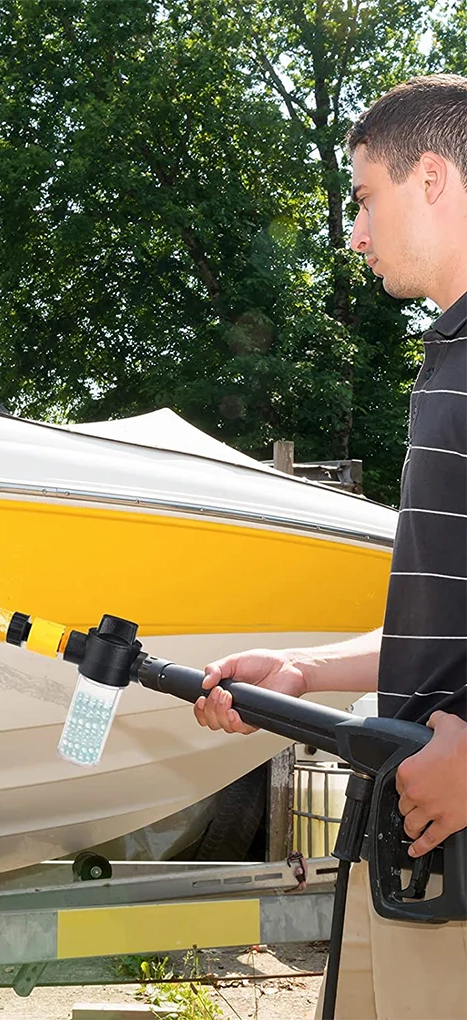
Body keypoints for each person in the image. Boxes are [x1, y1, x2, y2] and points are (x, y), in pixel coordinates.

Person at [194, 74, 467, 1020]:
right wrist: (304, 670)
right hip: (407, 852)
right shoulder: (448, 359)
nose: (354, 233)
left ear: (431, 176)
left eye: (364, 198)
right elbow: (445, 630)